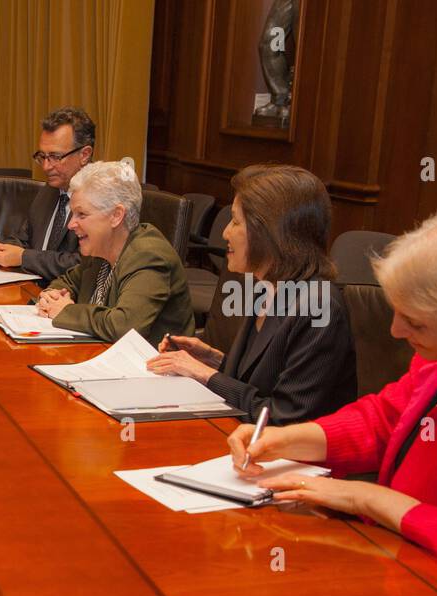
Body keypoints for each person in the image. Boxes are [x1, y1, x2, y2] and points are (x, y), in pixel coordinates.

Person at [228, 203, 437, 582]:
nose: (395, 331)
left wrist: (367, 498)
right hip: (397, 561)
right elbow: (384, 420)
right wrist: (286, 439)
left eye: (415, 323)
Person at [145, 164, 356, 423]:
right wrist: (213, 361)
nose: (225, 232)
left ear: (269, 232)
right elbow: (257, 384)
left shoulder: (319, 307)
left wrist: (204, 374)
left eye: (235, 221)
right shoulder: (266, 285)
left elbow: (283, 417)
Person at [36, 159, 194, 343]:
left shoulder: (149, 256)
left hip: (148, 366)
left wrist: (66, 311)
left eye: (82, 214)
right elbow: (68, 281)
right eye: (72, 214)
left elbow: (125, 326)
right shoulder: (99, 250)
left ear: (116, 216)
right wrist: (51, 296)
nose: (71, 224)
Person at [0, 106, 94, 282]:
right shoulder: (49, 191)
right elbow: (24, 241)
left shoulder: (98, 200)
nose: (46, 166)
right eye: (42, 156)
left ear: (84, 155)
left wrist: (24, 257)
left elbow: (85, 265)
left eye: (55, 157)